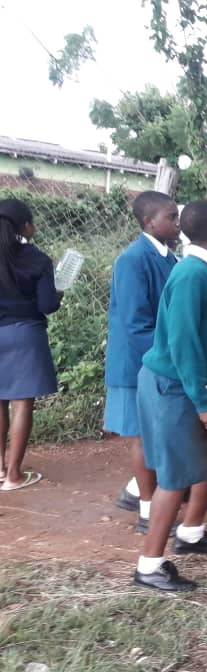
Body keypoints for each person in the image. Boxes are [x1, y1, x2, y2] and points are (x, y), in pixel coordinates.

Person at [132, 201, 207, 592]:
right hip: (171, 386)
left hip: (185, 381)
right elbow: (183, 342)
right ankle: (150, 566)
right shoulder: (193, 274)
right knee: (174, 479)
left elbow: (203, 338)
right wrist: (202, 398)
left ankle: (191, 534)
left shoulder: (204, 270)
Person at [104, 192, 181, 529]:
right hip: (137, 361)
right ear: (150, 222)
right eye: (172, 217)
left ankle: (141, 491)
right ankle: (148, 511)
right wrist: (172, 356)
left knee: (155, 433)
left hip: (156, 359)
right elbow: (136, 324)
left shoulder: (169, 259)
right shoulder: (132, 260)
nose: (178, 224)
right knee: (141, 435)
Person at [0, 199, 60, 491]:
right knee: (21, 403)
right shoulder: (36, 258)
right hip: (25, 334)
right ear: (24, 226)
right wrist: (57, 293)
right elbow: (48, 305)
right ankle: (14, 475)